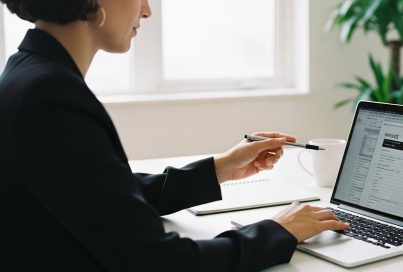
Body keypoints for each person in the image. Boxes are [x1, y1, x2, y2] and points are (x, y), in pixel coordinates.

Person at [0, 0, 349, 271]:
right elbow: (162, 263)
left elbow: (99, 198)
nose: (148, 11)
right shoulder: (53, 98)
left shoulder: (29, 73)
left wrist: (219, 168)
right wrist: (278, 230)